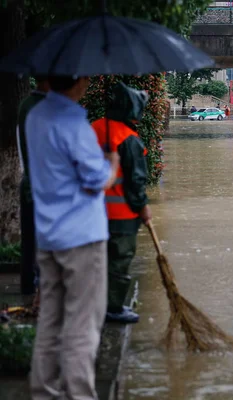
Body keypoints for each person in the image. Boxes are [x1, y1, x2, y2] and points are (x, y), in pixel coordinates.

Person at [26, 76, 120, 400]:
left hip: (48, 235)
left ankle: (44, 392)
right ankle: (79, 394)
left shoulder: (35, 117)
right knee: (82, 324)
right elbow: (96, 180)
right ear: (79, 81)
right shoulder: (73, 122)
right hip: (81, 238)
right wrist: (112, 165)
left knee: (50, 320)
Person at [91, 82, 152, 324]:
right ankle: (113, 307)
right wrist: (143, 208)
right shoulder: (128, 139)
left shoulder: (93, 128)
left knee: (97, 259)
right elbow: (136, 181)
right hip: (121, 213)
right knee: (118, 260)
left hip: (91, 211)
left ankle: (95, 303)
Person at [16, 76, 50, 299]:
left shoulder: (25, 105)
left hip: (28, 182)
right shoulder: (42, 108)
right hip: (43, 186)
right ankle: (37, 282)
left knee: (29, 238)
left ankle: (28, 283)